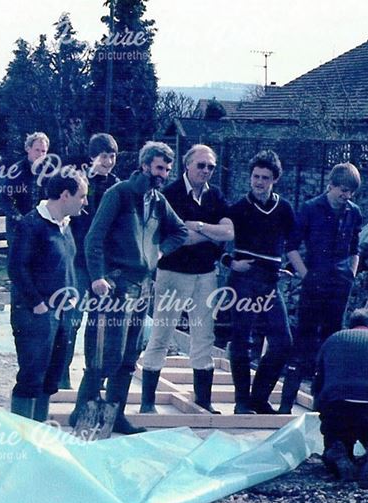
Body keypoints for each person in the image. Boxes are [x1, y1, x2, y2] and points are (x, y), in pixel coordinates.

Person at [72, 141, 189, 434]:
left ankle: (115, 417)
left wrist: (158, 252)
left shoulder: (158, 201)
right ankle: (83, 416)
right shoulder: (119, 194)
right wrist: (97, 277)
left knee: (128, 358)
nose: (164, 173)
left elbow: (180, 231)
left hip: (143, 287)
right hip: (114, 286)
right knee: (104, 355)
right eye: (160, 167)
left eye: (168, 169)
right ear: (146, 165)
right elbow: (93, 239)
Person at [139, 144, 233, 414]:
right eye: (201, 165)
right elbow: (177, 238)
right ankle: (147, 402)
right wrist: (209, 233)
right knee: (162, 334)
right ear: (187, 165)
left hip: (205, 274)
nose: (206, 170)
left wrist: (199, 227)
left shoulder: (215, 196)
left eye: (211, 166)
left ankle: (202, 398)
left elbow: (228, 232)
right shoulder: (170, 195)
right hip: (173, 274)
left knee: (204, 335)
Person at [279, 163, 365, 413]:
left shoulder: (354, 212)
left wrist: (351, 273)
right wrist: (306, 275)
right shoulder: (310, 208)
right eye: (343, 190)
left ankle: (322, 406)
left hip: (340, 284)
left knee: (331, 342)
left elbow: (354, 247)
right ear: (331, 186)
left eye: (351, 192)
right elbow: (291, 246)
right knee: (304, 340)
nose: (346, 196)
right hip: (315, 280)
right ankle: (285, 406)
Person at [8, 167, 88, 422]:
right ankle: (20, 436)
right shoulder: (31, 224)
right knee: (32, 375)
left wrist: (73, 294)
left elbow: (68, 262)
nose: (84, 202)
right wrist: (38, 305)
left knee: (50, 378)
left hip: (62, 312)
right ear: (65, 195)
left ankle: (38, 433)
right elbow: (17, 268)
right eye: (82, 196)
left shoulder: (66, 225)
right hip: (35, 314)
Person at [224, 150, 300, 414]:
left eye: (265, 178)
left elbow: (295, 242)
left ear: (274, 180)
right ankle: (242, 402)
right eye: (255, 176)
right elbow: (217, 241)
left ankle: (259, 398)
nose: (259, 182)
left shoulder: (285, 209)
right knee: (242, 341)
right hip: (243, 280)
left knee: (283, 342)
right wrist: (230, 262)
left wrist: (289, 267)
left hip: (269, 284)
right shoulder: (239, 208)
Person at [312, 308, 368, 486]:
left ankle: (337, 451)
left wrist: (324, 413)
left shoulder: (332, 340)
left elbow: (318, 383)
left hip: (338, 406)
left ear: (350, 325)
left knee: (333, 447)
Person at [57, 133, 120, 390]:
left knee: (99, 323)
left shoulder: (117, 185)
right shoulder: (81, 183)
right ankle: (61, 374)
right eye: (104, 156)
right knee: (72, 319)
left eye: (112, 156)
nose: (108, 161)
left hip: (104, 265)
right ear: (93, 157)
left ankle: (94, 377)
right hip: (79, 262)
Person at [0, 132, 49, 242]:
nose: (40, 154)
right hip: (18, 229)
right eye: (37, 150)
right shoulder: (16, 170)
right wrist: (18, 218)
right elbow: (5, 198)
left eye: (43, 151)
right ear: (28, 149)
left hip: (43, 228)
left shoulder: (50, 171)